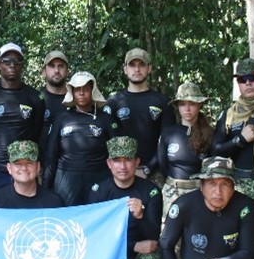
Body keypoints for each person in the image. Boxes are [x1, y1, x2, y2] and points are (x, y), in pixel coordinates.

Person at [211, 59, 254, 259]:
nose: (248, 83)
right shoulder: (230, 114)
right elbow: (216, 150)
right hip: (238, 187)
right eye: (243, 79)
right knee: (234, 240)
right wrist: (240, 139)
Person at [0, 43, 45, 205]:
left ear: (22, 65)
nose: (12, 65)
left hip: (24, 170)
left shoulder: (35, 97)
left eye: (17, 61)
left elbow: (37, 131)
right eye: (6, 61)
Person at [42, 71, 118, 207]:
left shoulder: (105, 119)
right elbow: (51, 155)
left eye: (86, 89)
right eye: (77, 89)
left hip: (99, 177)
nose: (82, 93)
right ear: (72, 92)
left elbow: (117, 154)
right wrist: (45, 188)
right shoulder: (62, 118)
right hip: (66, 180)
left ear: (93, 91)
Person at [104, 48, 175, 182]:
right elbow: (109, 141)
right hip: (121, 174)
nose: (137, 69)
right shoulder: (113, 103)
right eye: (132, 65)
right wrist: (127, 168)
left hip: (155, 173)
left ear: (149, 68)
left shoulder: (162, 101)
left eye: (141, 65)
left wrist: (148, 168)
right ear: (125, 69)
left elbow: (167, 141)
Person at [156, 82, 214, 218]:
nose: (187, 109)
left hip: (199, 192)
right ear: (177, 107)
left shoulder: (210, 133)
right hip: (172, 191)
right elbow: (163, 164)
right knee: (169, 235)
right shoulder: (168, 133)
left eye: (192, 104)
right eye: (182, 104)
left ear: (199, 105)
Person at [0, 140, 64, 209]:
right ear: (9, 168)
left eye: (29, 163)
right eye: (18, 164)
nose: (24, 168)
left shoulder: (54, 202)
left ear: (38, 167)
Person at [40, 50, 70, 129]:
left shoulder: (76, 99)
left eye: (61, 66)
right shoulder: (37, 99)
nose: (56, 71)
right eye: (52, 66)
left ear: (67, 72)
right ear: (44, 72)